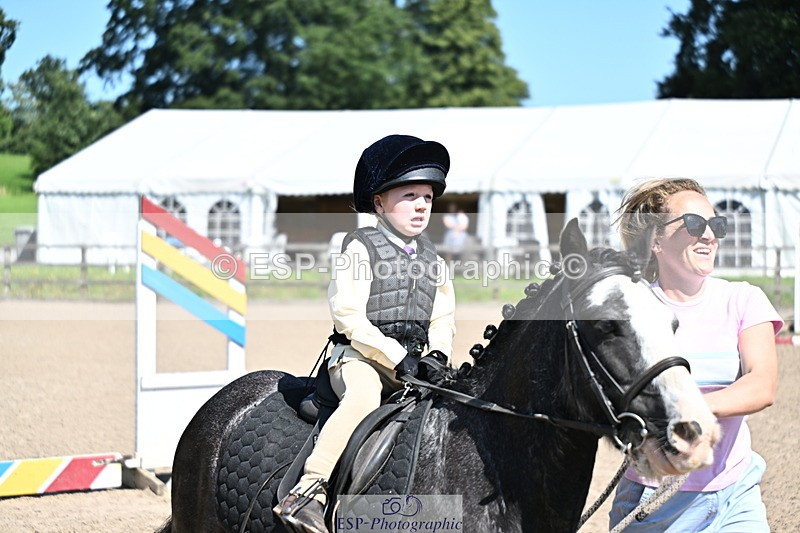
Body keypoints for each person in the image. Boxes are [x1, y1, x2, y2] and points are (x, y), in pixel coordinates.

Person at [273, 134, 457, 533]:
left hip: (411, 363)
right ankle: (308, 491)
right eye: (410, 196)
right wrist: (395, 356)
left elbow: (444, 316)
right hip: (357, 359)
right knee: (362, 399)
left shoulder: (433, 258)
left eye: (427, 197)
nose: (422, 205)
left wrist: (437, 355)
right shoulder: (359, 247)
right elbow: (349, 316)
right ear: (379, 203)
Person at [610, 178, 782, 532]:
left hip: (736, 494)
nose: (708, 235)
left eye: (715, 225)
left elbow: (761, 385)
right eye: (693, 224)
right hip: (653, 504)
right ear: (655, 241)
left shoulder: (743, 299)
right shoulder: (630, 309)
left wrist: (689, 409)